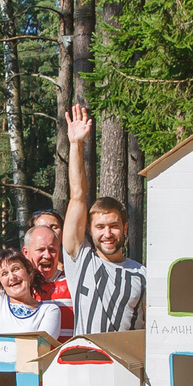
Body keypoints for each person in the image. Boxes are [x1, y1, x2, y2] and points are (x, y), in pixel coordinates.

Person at [61, 104, 148, 334]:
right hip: (86, 363)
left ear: (125, 228)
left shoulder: (142, 274)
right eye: (100, 227)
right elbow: (77, 197)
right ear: (89, 230)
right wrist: (76, 145)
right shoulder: (80, 260)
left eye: (114, 226)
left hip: (126, 366)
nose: (107, 234)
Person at [0, 249, 66, 335]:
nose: (12, 277)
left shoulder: (48, 311)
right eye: (4, 274)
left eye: (16, 269)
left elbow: (41, 346)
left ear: (29, 273)